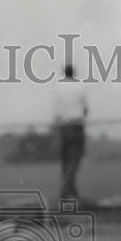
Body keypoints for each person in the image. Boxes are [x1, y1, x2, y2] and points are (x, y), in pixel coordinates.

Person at [53, 63, 88, 200]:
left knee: (66, 160)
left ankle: (71, 191)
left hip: (64, 126)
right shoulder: (79, 86)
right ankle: (66, 191)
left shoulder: (58, 87)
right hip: (76, 124)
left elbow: (56, 108)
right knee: (75, 159)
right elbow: (85, 108)